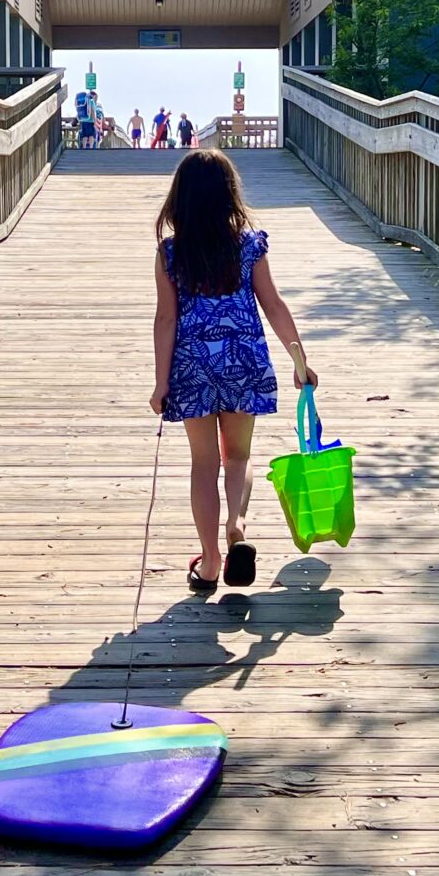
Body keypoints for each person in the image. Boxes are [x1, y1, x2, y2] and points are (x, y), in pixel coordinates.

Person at [150, 150, 317, 592]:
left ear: (180, 199)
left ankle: (208, 563)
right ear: (229, 196)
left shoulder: (170, 253)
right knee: (237, 457)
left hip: (193, 367)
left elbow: (166, 319)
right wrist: (300, 361)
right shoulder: (248, 245)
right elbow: (273, 304)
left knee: (203, 464)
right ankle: (237, 526)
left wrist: (161, 381)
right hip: (244, 361)